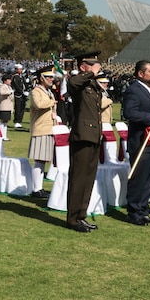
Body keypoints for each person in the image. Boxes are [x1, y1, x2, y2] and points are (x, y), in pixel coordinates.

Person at [65, 51, 103, 233]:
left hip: (94, 135)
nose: (97, 66)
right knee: (78, 179)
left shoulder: (91, 84)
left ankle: (81, 215)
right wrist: (91, 73)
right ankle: (72, 218)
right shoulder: (78, 81)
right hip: (82, 135)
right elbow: (72, 83)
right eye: (91, 64)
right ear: (83, 66)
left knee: (88, 179)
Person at [122, 60, 150, 225]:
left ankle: (143, 209)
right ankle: (134, 212)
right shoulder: (133, 90)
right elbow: (130, 113)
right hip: (140, 141)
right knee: (138, 179)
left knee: (147, 179)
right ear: (140, 73)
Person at [28, 67, 58, 199]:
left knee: (43, 160)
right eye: (49, 77)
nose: (52, 79)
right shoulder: (36, 91)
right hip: (41, 128)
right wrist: (52, 101)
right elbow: (39, 104)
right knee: (39, 160)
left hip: (48, 128)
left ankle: (38, 188)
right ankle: (36, 189)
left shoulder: (47, 92)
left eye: (52, 77)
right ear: (42, 78)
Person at [11, 63, 28, 128]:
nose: (21, 70)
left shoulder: (22, 76)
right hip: (18, 95)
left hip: (23, 95)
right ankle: (16, 121)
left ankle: (20, 121)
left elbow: (24, 84)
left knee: (22, 108)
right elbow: (16, 86)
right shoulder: (15, 77)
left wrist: (26, 90)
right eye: (19, 69)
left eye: (21, 69)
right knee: (18, 108)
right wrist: (22, 92)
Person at [0, 74, 14, 140]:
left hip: (9, 106)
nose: (10, 81)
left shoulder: (9, 87)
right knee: (3, 120)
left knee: (6, 121)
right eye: (8, 80)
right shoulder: (3, 86)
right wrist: (9, 92)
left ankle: (4, 135)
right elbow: (2, 92)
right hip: (4, 106)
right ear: (5, 81)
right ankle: (1, 135)